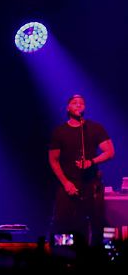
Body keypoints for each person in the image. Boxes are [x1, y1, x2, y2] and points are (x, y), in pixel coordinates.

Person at [48, 94, 115, 246]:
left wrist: (92, 161)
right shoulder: (60, 132)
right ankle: (63, 254)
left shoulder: (94, 128)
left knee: (96, 221)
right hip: (68, 184)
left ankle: (96, 254)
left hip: (91, 185)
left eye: (82, 103)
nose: (78, 105)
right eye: (74, 103)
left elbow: (110, 152)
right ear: (68, 108)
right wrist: (66, 183)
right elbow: (53, 160)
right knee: (63, 221)